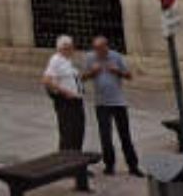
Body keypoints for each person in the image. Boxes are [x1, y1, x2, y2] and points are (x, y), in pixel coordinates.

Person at [82, 35, 142, 177]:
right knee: (105, 136)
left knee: (125, 135)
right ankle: (109, 165)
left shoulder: (116, 56)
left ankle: (133, 166)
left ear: (106, 47)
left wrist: (117, 71)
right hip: (101, 103)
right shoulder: (90, 58)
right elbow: (82, 78)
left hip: (118, 102)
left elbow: (129, 76)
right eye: (95, 49)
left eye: (100, 48)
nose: (97, 52)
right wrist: (92, 72)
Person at [42, 34, 88, 188]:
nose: (72, 49)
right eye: (69, 47)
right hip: (66, 103)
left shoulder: (67, 61)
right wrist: (65, 92)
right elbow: (46, 80)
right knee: (68, 133)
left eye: (72, 47)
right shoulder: (56, 60)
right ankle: (66, 166)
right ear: (62, 48)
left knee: (78, 133)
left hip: (76, 101)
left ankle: (77, 166)